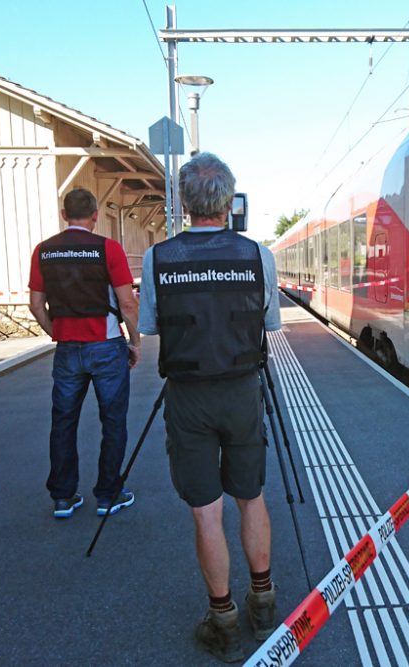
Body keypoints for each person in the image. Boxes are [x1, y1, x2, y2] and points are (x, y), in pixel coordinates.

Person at [138, 153, 281, 662]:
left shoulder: (158, 258)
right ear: (227, 199)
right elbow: (271, 324)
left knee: (206, 511)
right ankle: (263, 602)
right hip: (243, 391)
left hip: (188, 396)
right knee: (252, 496)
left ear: (183, 200)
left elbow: (150, 328)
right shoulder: (257, 256)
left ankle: (222, 621)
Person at [28, 187, 140, 520]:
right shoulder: (108, 249)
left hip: (67, 350)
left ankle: (63, 497)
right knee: (113, 421)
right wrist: (135, 341)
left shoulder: (43, 251)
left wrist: (57, 333)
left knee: (63, 421)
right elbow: (128, 302)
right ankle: (108, 495)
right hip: (106, 346)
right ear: (94, 215)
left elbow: (35, 305)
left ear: (64, 215)